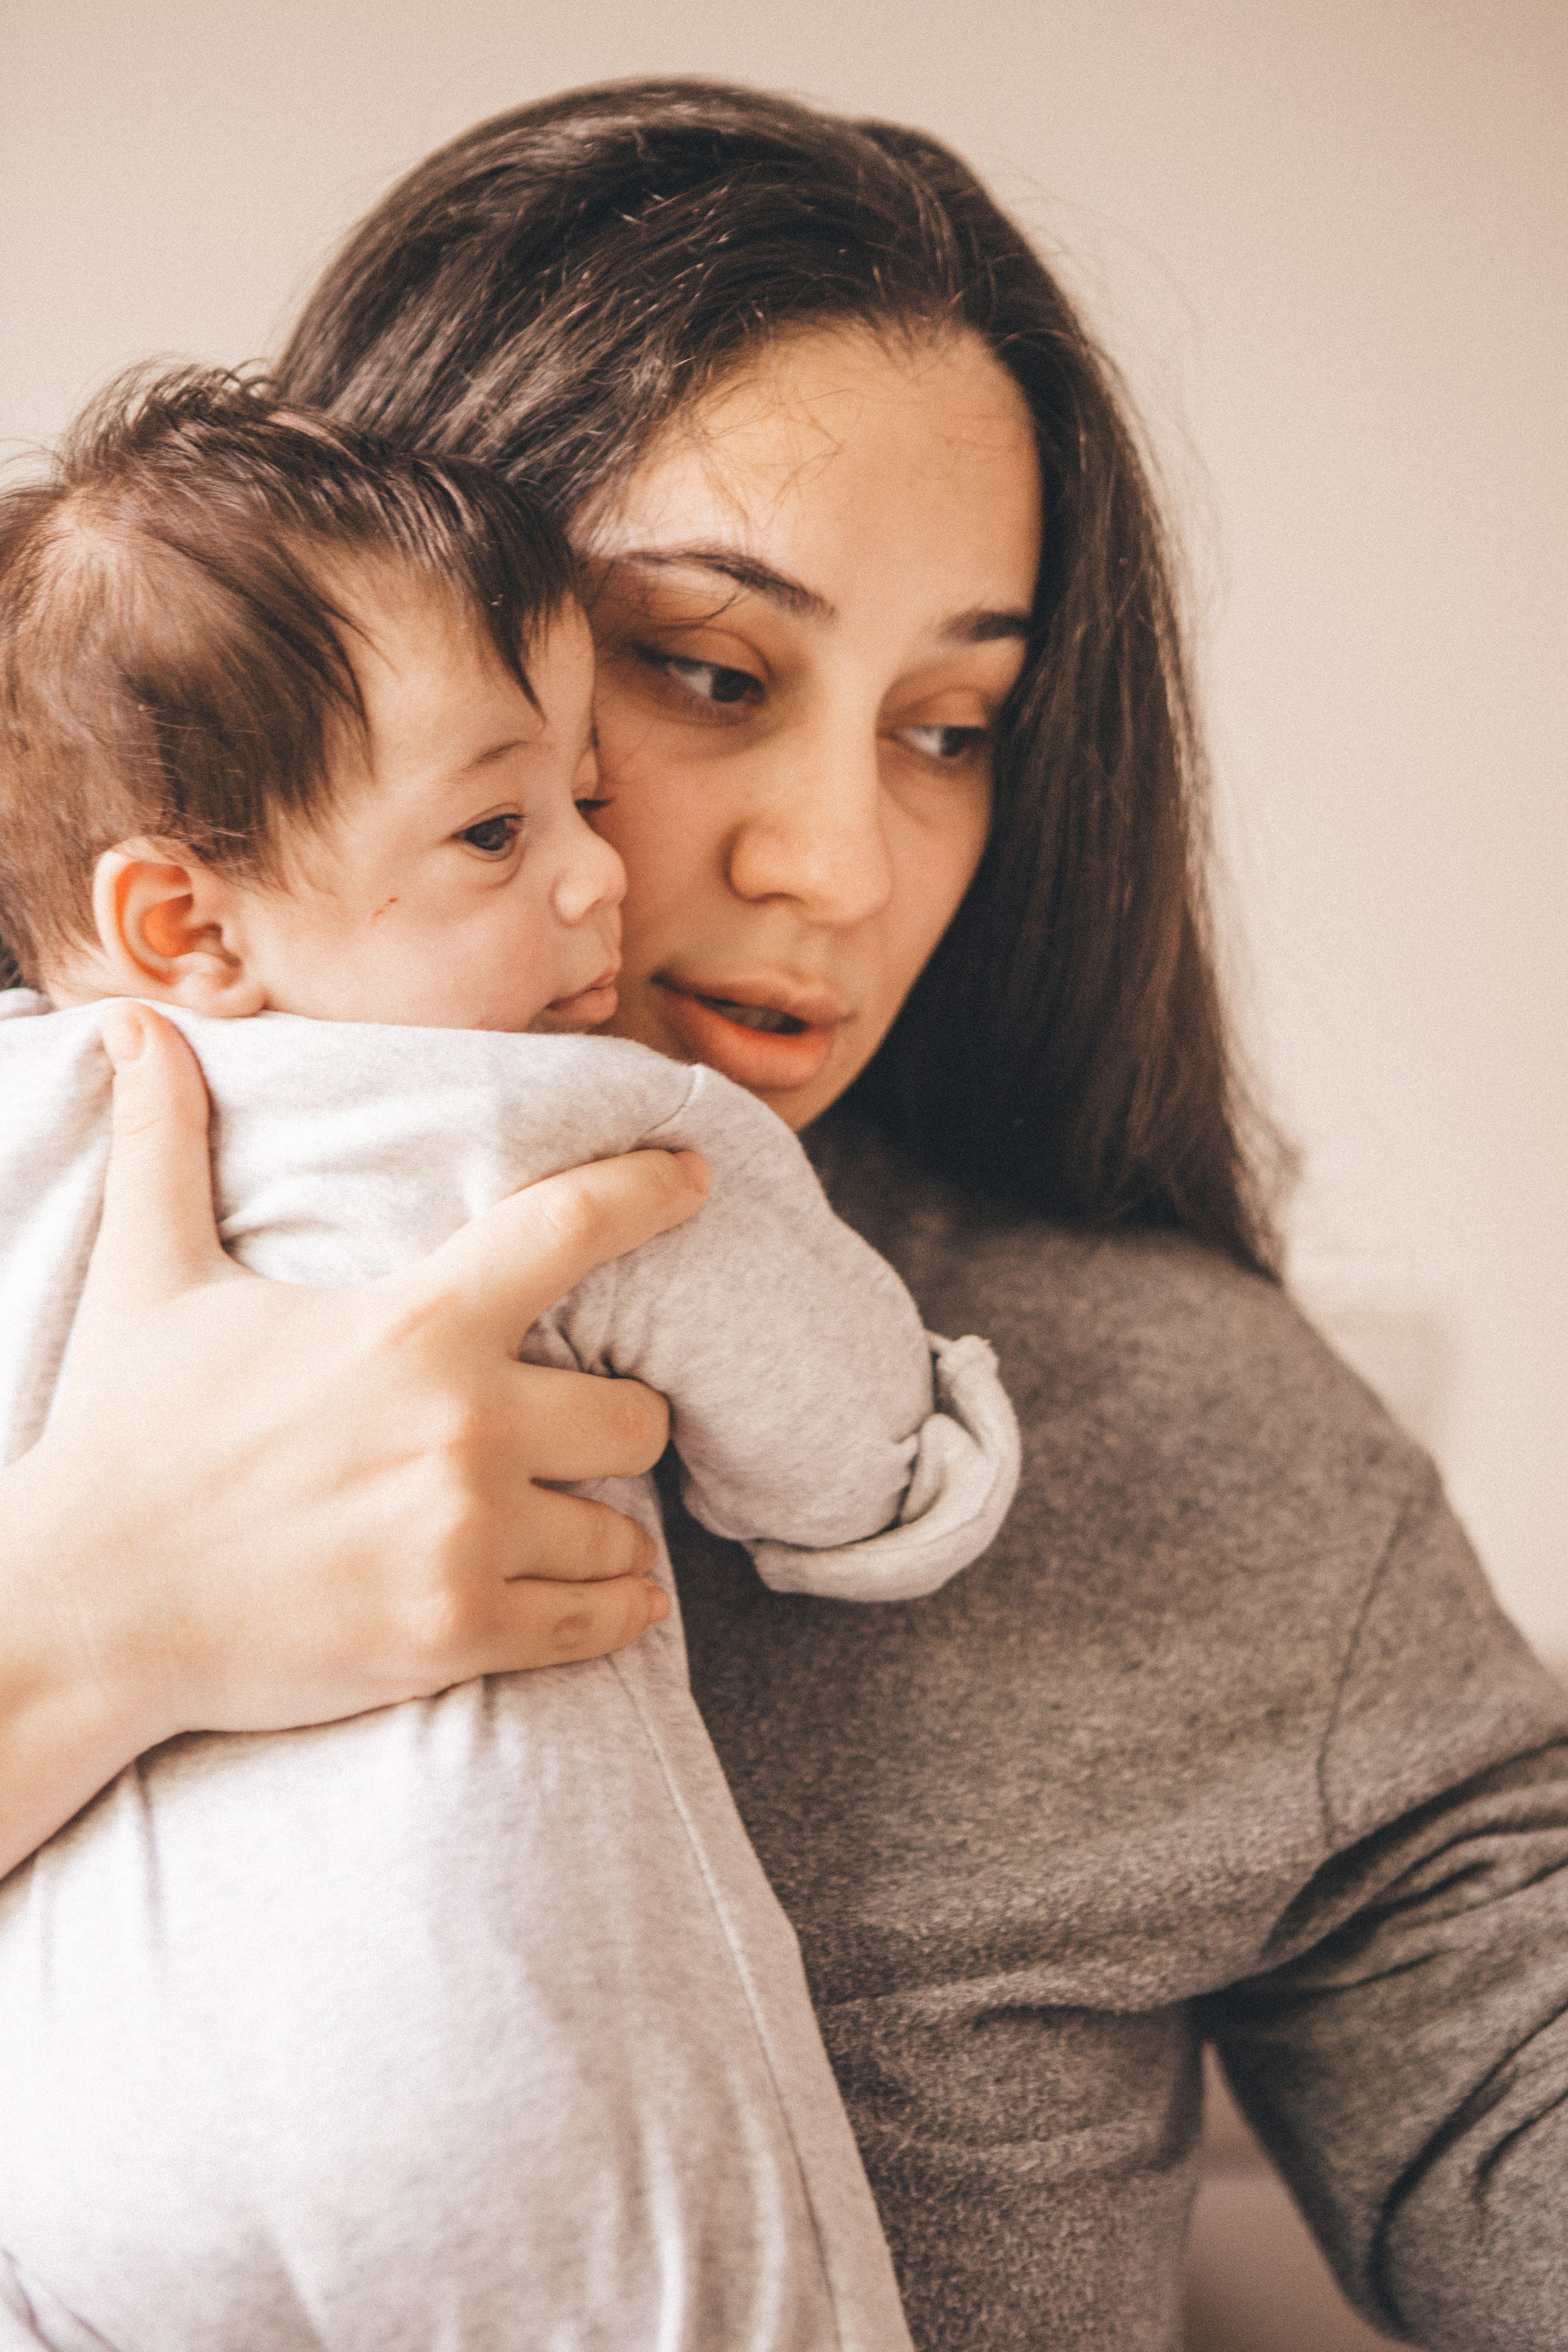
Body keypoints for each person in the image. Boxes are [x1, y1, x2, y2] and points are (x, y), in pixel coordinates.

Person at [2, 75, 1565, 2352]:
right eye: (710, 671)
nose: (843, 860)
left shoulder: (1174, 1436)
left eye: (950, 726)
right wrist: (93, 1625)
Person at [0, 369, 1019, 2351]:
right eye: (496, 823)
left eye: (578, 795)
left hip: (67, 2182)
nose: (591, 878)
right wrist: (940, 1458)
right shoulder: (543, 1125)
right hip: (499, 2141)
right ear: (186, 924)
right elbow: (838, 1455)